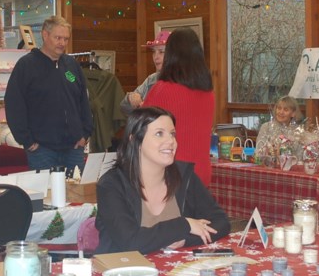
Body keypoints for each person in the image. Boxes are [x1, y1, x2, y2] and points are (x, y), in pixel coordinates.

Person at [94, 106, 230, 254]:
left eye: (172, 134)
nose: (170, 141)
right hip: (122, 273)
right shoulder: (112, 185)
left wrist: (186, 239)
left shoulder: (184, 176)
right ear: (134, 141)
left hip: (175, 272)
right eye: (159, 134)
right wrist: (183, 225)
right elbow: (130, 242)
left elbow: (221, 222)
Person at [4, 15, 92, 172]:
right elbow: (13, 105)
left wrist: (85, 134)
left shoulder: (72, 65)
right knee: (46, 195)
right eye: (58, 38)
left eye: (66, 39)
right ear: (45, 35)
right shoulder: (26, 66)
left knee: (77, 195)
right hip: (41, 150)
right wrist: (27, 141)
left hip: (74, 148)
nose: (62, 43)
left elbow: (83, 101)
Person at [143, 29, 215, 186]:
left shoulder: (161, 89)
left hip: (170, 175)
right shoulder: (208, 93)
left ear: (171, 56)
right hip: (202, 173)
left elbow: (140, 130)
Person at [120, 30, 169, 115]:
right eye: (154, 52)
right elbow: (123, 108)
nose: (155, 57)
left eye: (161, 52)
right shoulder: (151, 79)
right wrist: (130, 98)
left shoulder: (182, 80)